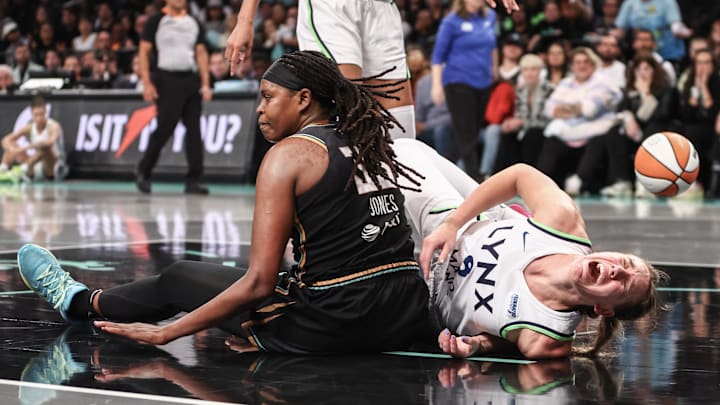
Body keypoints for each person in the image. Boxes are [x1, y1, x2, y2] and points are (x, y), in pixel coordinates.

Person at [16, 50, 431, 354]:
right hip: (404, 311)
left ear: (303, 99)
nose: (260, 109)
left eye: (269, 96)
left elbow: (258, 283)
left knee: (179, 277)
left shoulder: (289, 155)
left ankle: (78, 301)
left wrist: (167, 333)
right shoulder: (370, 141)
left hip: (338, 320)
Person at [392, 138, 666, 359]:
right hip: (458, 229)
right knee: (402, 150)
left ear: (604, 309)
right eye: (626, 263)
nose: (618, 270)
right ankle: (506, 217)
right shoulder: (564, 223)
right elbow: (520, 174)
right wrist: (452, 223)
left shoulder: (546, 338)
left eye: (625, 284)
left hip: (429, 300)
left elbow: (511, 342)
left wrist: (478, 346)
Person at [224, 0, 520, 141]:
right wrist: (245, 20)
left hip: (381, 9)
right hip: (333, 8)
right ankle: (340, 228)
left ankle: (402, 232)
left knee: (402, 138)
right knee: (353, 119)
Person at [135, 0, 212, 195]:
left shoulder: (193, 22)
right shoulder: (156, 21)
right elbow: (144, 52)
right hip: (166, 78)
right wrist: (147, 82)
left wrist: (205, 83)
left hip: (190, 79)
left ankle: (194, 179)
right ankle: (144, 171)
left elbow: (201, 53)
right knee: (165, 127)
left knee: (194, 130)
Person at [432, 0, 499, 181]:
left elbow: (493, 46)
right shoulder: (451, 22)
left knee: (471, 133)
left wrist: (495, 68)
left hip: (483, 81)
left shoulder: (490, 17)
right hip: (458, 81)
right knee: (466, 131)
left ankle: (441, 171)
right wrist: (436, 85)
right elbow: (438, 56)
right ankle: (475, 177)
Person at [0, 96, 67, 181]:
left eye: (41, 114)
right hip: (34, 164)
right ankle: (2, 170)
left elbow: (50, 142)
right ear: (31, 114)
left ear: (45, 112)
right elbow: (5, 139)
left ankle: (22, 170)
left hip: (52, 167)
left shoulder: (53, 126)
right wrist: (11, 149)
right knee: (12, 144)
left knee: (44, 147)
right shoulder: (30, 127)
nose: (39, 118)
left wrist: (26, 147)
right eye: (36, 115)